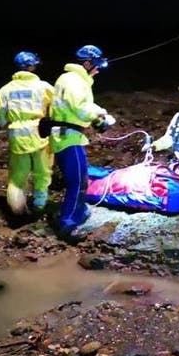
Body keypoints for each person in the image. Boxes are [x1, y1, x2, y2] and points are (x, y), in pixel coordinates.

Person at [49, 44, 115, 239]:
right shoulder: (74, 81)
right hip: (67, 135)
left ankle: (78, 212)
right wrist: (99, 119)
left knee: (80, 176)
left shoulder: (72, 79)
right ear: (86, 63)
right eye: (96, 65)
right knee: (77, 181)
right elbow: (80, 108)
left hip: (68, 134)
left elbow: (83, 104)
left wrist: (101, 111)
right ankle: (66, 224)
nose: (98, 69)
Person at [0, 51, 54, 215]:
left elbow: (0, 116)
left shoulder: (5, 90)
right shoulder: (44, 87)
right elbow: (55, 108)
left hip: (17, 137)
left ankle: (17, 211)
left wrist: (4, 123)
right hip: (40, 134)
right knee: (43, 172)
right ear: (32, 66)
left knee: (17, 177)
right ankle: (39, 206)